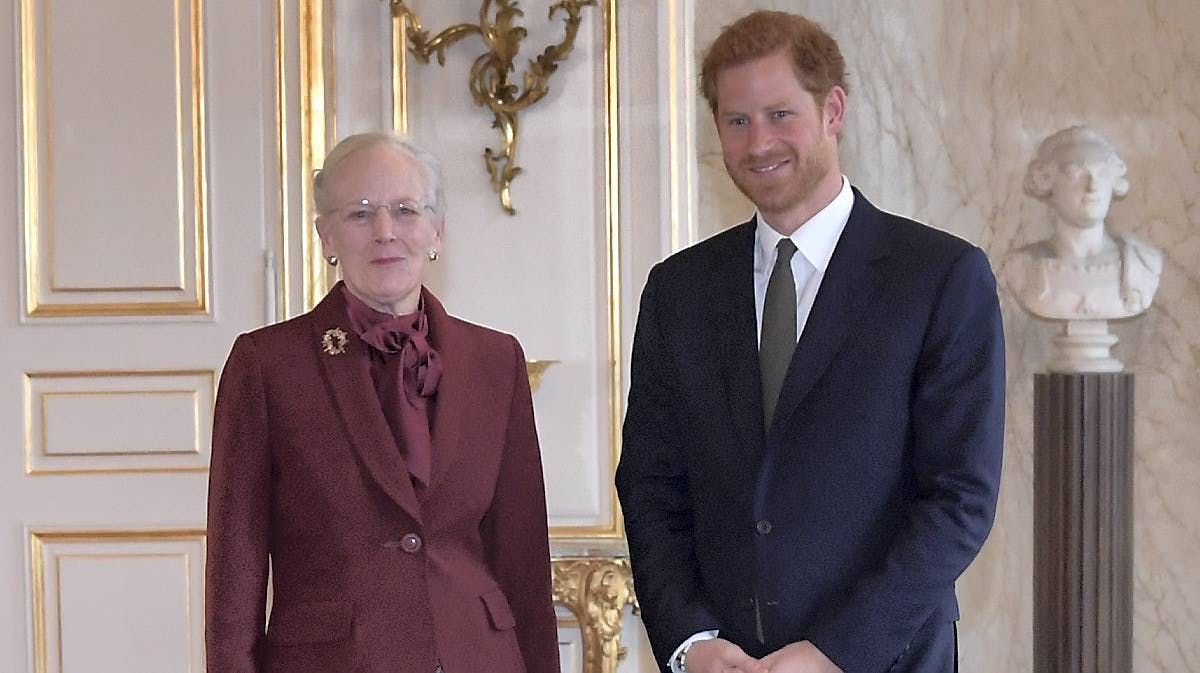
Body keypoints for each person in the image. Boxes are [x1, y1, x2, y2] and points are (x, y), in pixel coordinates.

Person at [615, 11, 1005, 673]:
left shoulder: (939, 277)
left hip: (885, 659)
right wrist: (690, 642)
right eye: (736, 120)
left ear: (833, 110)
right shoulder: (676, 290)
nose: (758, 141)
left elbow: (958, 498)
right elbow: (652, 485)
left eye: (779, 114)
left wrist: (835, 651)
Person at [205, 132, 560, 673]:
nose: (385, 232)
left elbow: (522, 556)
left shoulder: (496, 360)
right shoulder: (267, 364)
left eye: (405, 210)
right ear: (326, 236)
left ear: (437, 229)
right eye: (360, 214)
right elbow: (236, 565)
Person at [1007, 125, 1162, 320]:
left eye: (1102, 172)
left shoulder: (1142, 264)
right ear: (1047, 181)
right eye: (1075, 174)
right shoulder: (1023, 267)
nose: (1092, 186)